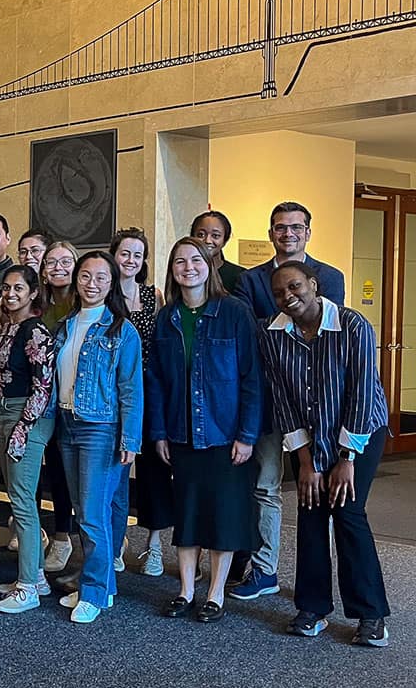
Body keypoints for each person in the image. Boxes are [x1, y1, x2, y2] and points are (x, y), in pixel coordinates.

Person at [259, 261, 391, 646]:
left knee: (348, 512)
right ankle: (312, 608)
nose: (288, 296)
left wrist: (347, 458)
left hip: (361, 430)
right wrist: (305, 463)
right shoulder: (273, 333)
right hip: (309, 434)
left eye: (295, 286)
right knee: (311, 507)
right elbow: (283, 400)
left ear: (314, 285)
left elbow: (363, 394)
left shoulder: (352, 325)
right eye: (280, 292)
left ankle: (371, 615)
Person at [230, 201, 346, 601]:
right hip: (265, 395)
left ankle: (317, 584)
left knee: (320, 490)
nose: (288, 233)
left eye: (296, 227)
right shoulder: (251, 279)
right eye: (280, 227)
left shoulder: (330, 276)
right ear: (271, 234)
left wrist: (278, 324)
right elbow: (248, 329)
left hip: (317, 402)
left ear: (308, 232)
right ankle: (265, 570)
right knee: (264, 486)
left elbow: (328, 332)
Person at [148, 238, 261, 623]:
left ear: (209, 265)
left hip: (225, 433)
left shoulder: (234, 312)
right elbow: (157, 382)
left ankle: (215, 594)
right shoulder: (168, 317)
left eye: (196, 260)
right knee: (189, 512)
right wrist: (159, 431)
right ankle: (185, 590)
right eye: (179, 261)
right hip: (180, 433)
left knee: (223, 515)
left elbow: (251, 378)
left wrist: (247, 435)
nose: (188, 267)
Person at [53, 251, 142, 624]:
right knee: (83, 511)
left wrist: (130, 440)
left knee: (92, 516)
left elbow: (131, 389)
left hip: (100, 428)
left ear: (112, 283)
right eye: (86, 276)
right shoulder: (66, 324)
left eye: (100, 278)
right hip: (66, 423)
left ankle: (91, 592)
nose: (92, 284)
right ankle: (102, 587)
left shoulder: (121, 329)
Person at [0, 265, 56, 615]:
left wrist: (22, 428)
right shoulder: (10, 327)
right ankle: (36, 576)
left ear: (33, 293)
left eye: (18, 288)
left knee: (22, 502)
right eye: (6, 287)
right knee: (18, 497)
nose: (10, 293)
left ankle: (28, 586)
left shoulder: (35, 330)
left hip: (27, 416)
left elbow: (43, 387)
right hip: (5, 412)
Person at [109, 227, 169, 576]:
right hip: (114, 397)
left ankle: (154, 545)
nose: (130, 260)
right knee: (117, 471)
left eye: (137, 255)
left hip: (149, 393)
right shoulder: (104, 294)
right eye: (124, 253)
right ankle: (116, 542)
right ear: (114, 256)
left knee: (154, 472)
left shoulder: (154, 296)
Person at [38, 240, 80, 573]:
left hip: (81, 405)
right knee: (57, 472)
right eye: (51, 262)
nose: (58, 267)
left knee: (84, 475)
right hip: (46, 404)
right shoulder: (39, 308)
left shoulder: (86, 306)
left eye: (66, 261)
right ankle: (62, 537)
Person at [191, 210, 246, 295]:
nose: (207, 240)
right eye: (201, 235)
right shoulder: (186, 272)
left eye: (215, 236)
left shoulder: (241, 276)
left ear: (225, 240)